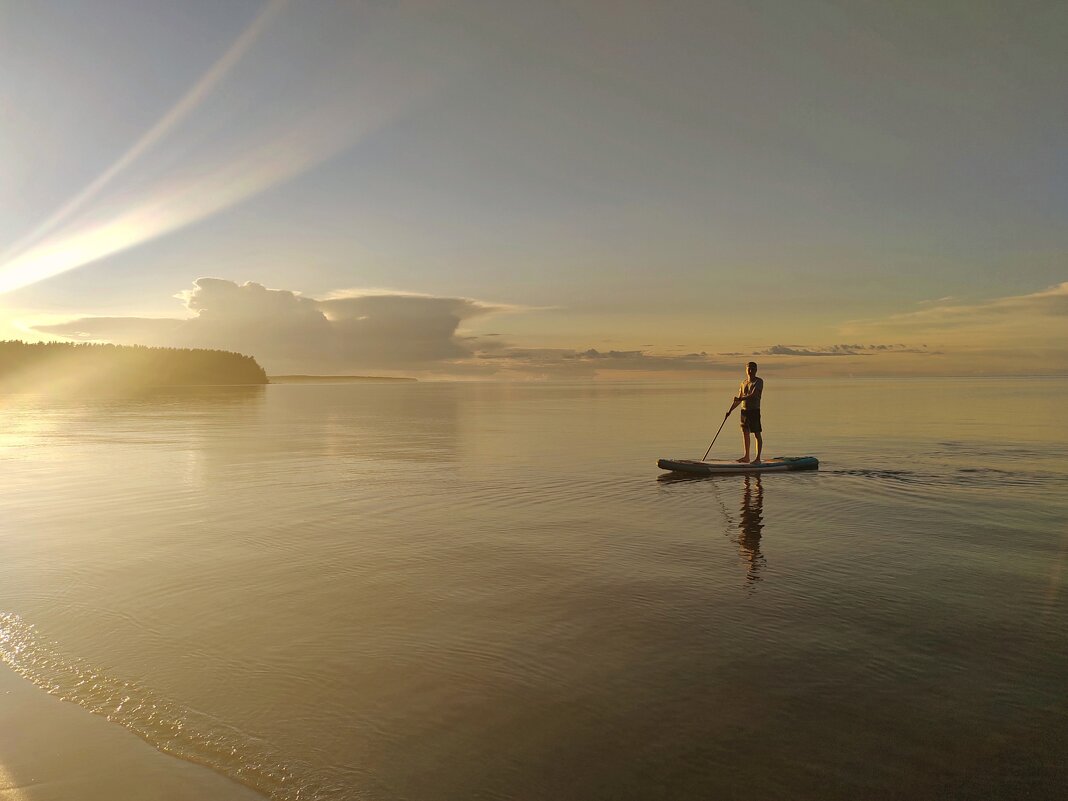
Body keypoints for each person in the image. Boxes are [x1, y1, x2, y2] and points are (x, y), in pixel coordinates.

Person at [731, 361, 763, 463]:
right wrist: (730, 411)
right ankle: (746, 457)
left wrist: (740, 399)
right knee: (745, 433)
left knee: (757, 434)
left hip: (754, 410)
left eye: (753, 368)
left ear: (756, 370)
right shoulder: (743, 382)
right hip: (744, 411)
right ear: (746, 370)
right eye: (749, 368)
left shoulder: (758, 381)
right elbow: (738, 399)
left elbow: (753, 395)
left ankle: (757, 458)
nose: (750, 370)